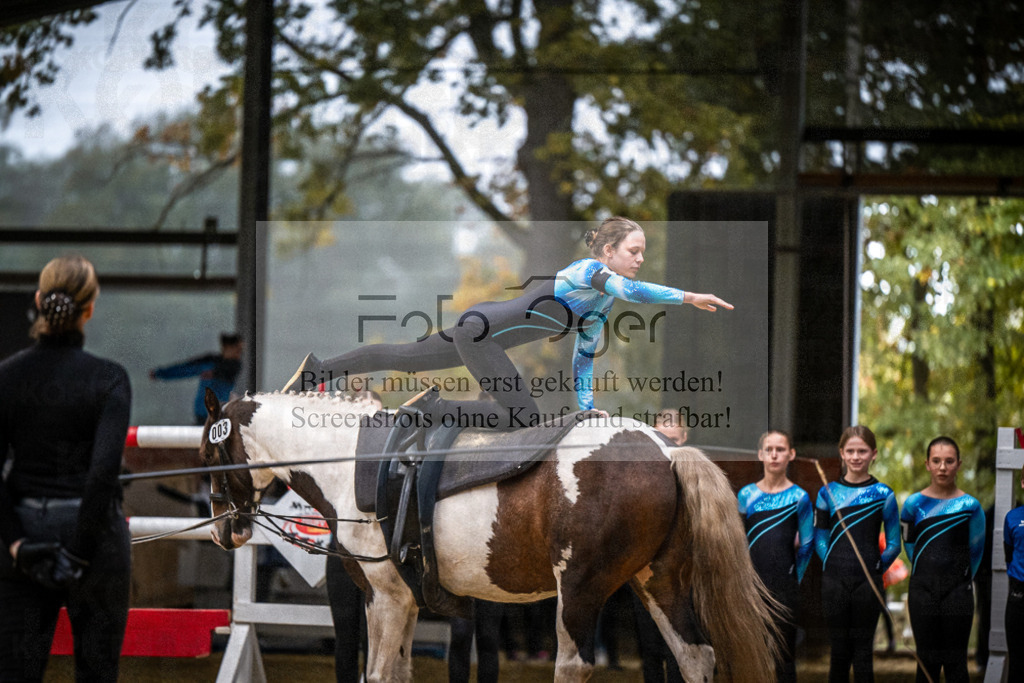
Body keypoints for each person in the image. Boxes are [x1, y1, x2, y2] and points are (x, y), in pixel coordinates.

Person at [282, 217, 732, 427]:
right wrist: (689, 296)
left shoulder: (597, 307)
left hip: (478, 330)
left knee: (404, 358)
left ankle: (317, 370)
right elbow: (633, 291)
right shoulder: (585, 272)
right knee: (521, 417)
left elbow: (584, 358)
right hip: (481, 334)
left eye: (642, 252)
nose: (640, 258)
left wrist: (585, 405)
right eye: (634, 251)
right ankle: (433, 410)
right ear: (608, 251)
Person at [0, 255, 132, 682]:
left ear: (39, 300)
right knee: (96, 672)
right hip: (94, 540)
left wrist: (17, 544)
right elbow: (101, 475)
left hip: (23, 531)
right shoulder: (110, 379)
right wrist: (76, 551)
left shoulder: (6, 376)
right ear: (90, 309)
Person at [814, 425, 900, 683]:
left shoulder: (884, 494)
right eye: (850, 451)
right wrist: (832, 563)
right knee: (839, 654)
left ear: (873, 454)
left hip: (868, 583)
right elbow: (819, 537)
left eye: (862, 451)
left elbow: (895, 544)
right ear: (841, 453)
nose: (856, 456)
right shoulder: (826, 493)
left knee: (863, 654)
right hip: (834, 582)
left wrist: (875, 569)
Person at [900, 436, 984, 683]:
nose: (942, 467)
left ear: (959, 464)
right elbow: (910, 545)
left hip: (958, 592)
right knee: (926, 662)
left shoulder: (970, 506)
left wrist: (960, 580)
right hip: (922, 591)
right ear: (927, 464)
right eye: (936, 461)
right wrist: (927, 573)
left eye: (949, 461)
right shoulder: (913, 505)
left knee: (955, 662)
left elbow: (976, 552)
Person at [737, 429, 814, 683]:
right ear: (760, 455)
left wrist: (794, 580)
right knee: (751, 657)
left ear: (791, 454)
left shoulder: (799, 498)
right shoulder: (747, 495)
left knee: (784, 659)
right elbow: (738, 543)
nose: (774, 455)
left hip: (784, 590)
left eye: (780, 449)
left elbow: (807, 545)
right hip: (751, 588)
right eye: (769, 450)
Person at [149, 332, 243, 424]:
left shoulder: (234, 366)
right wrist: (160, 373)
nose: (239, 354)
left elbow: (226, 371)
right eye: (238, 350)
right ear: (227, 347)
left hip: (218, 413)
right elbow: (184, 370)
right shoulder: (209, 363)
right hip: (203, 413)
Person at [1003, 466, 1024, 683]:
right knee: (1017, 663)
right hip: (1018, 598)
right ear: (1023, 483)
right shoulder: (1012, 517)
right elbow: (1008, 557)